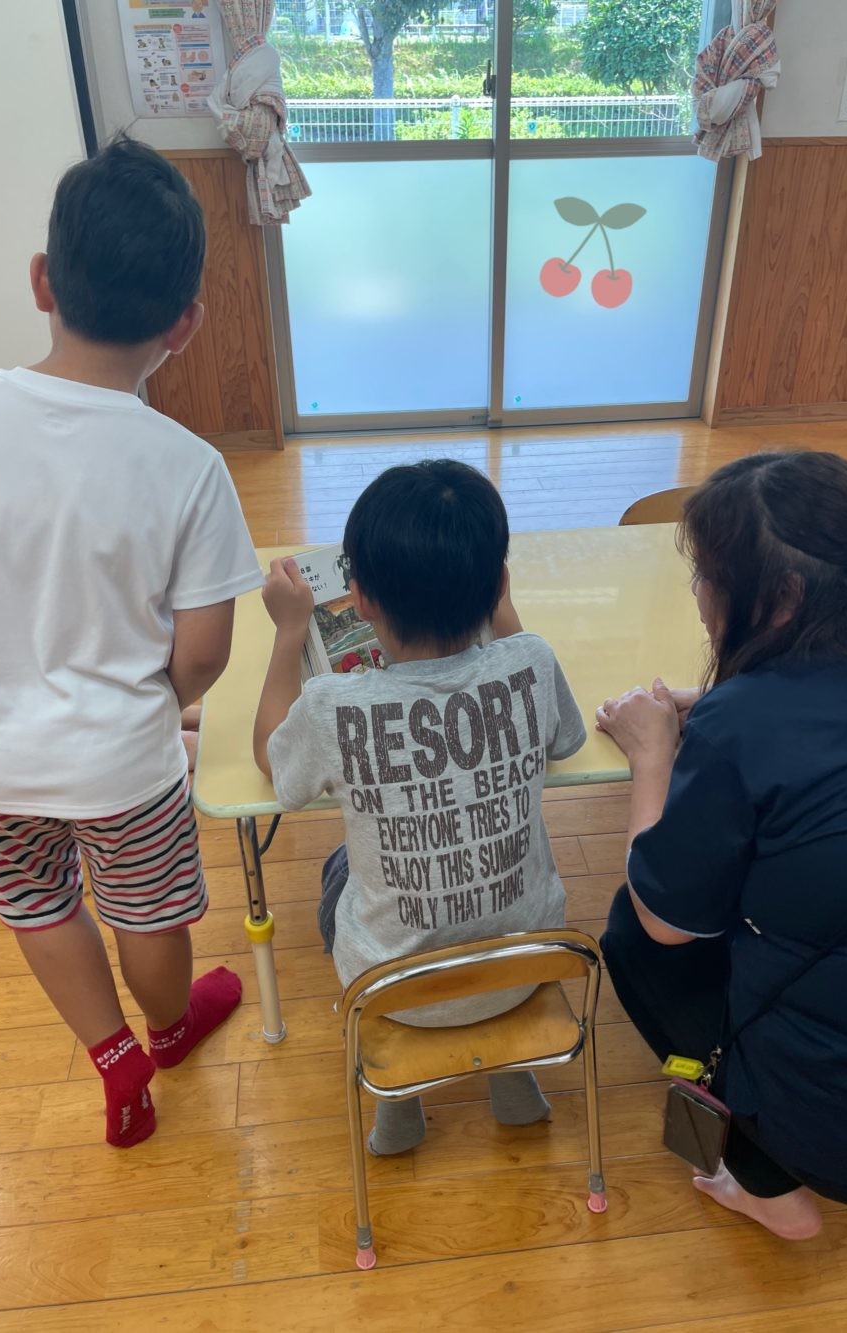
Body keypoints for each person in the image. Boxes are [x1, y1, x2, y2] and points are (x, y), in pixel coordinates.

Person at [0, 136, 264, 1148]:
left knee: (37, 904)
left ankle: (113, 1057)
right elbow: (203, 654)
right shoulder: (190, 466)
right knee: (147, 911)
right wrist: (156, 704)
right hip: (122, 764)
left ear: (43, 281)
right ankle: (167, 1029)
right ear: (187, 324)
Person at [596, 451, 847, 1239]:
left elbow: (663, 920)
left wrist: (653, 754)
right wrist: (726, 704)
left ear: (780, 598)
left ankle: (763, 1182)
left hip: (844, 1146)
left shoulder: (743, 722)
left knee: (633, 934)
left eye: (707, 576)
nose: (699, 594)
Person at [253, 460, 586, 1154]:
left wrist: (289, 632)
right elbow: (565, 738)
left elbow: (271, 763)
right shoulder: (530, 659)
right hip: (525, 966)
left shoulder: (331, 705)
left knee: (341, 870)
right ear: (499, 584)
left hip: (392, 988)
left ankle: (398, 1103)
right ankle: (513, 1078)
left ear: (360, 601)